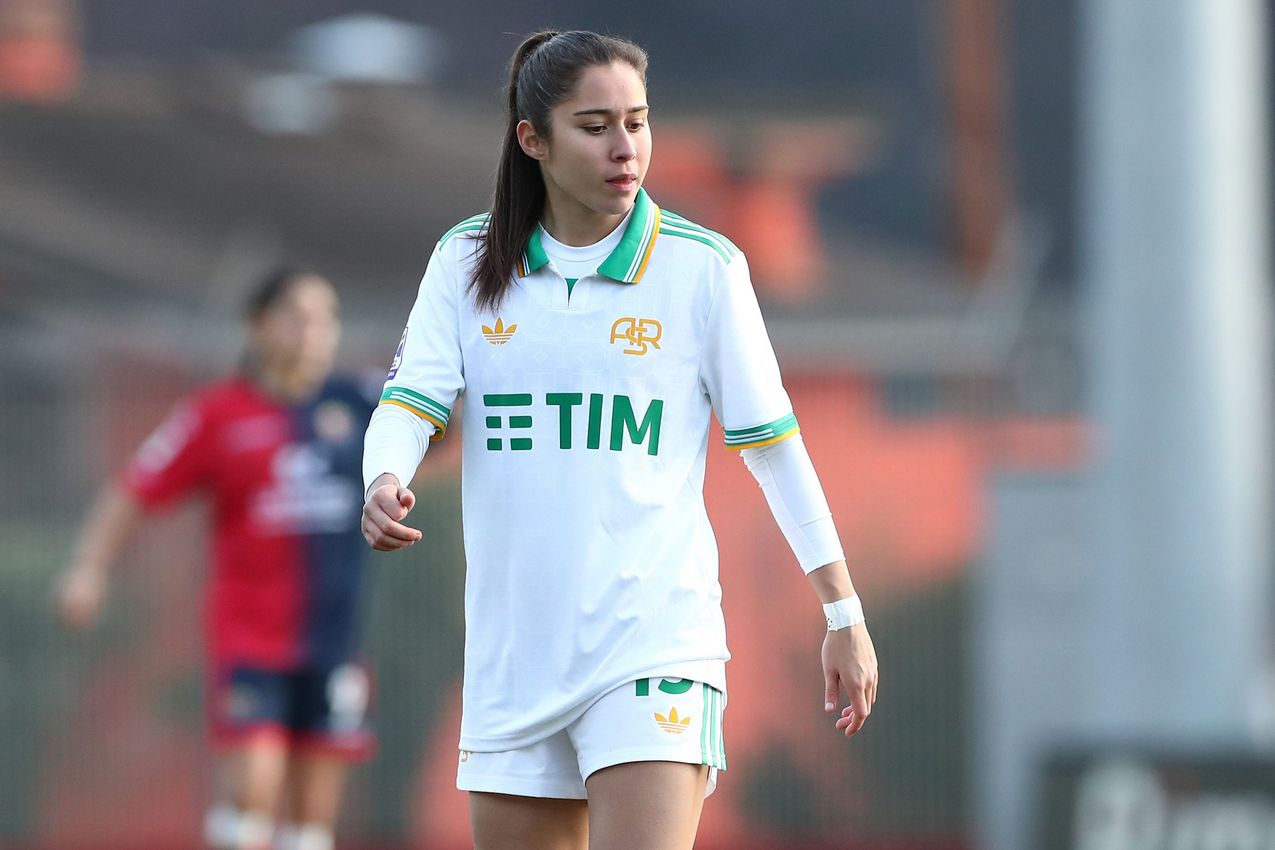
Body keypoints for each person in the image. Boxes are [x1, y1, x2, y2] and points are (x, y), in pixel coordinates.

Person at [360, 30, 879, 850]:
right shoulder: (464, 261)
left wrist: (841, 609)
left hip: (653, 649)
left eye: (636, 123)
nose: (624, 147)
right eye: (594, 126)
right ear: (533, 140)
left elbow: (773, 449)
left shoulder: (701, 269)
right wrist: (384, 477)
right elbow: (406, 404)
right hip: (512, 662)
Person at [56, 269, 376, 850]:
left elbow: (454, 435)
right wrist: (88, 567)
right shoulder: (217, 414)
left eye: (325, 318)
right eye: (297, 317)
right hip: (250, 641)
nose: (313, 332)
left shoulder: (362, 404)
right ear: (258, 324)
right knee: (252, 791)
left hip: (333, 641)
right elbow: (132, 490)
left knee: (312, 820)